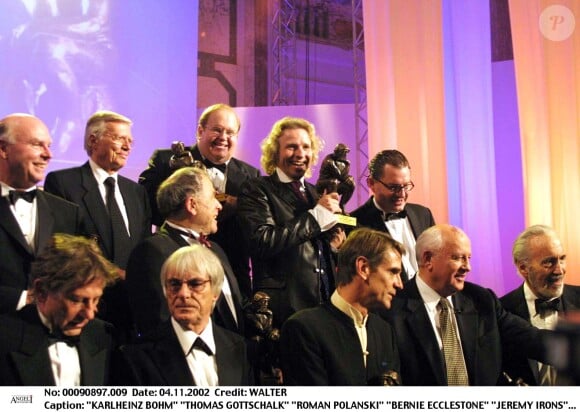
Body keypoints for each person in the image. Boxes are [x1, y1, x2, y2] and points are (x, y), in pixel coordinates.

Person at [380, 224, 552, 386]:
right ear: (428, 259)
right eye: (457, 258)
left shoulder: (481, 299)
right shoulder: (391, 308)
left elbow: (531, 339)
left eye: (468, 258)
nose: (467, 267)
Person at [44, 110, 152, 341]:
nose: (127, 147)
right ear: (93, 140)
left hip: (131, 314)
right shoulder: (64, 183)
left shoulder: (136, 193)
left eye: (130, 141)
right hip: (87, 311)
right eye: (119, 138)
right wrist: (114, 274)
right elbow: (64, 248)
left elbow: (144, 249)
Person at [139, 103, 259, 297]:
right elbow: (144, 209)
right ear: (200, 130)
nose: (223, 138)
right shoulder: (166, 160)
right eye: (217, 130)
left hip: (228, 275)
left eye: (230, 133)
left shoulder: (251, 176)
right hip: (175, 271)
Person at [237, 116, 345, 327]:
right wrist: (316, 217)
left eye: (306, 147)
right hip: (284, 310)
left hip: (326, 306)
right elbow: (262, 241)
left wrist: (335, 248)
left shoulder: (317, 193)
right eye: (291, 147)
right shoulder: (257, 189)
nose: (300, 154)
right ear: (275, 152)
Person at [126, 166, 244, 337]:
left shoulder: (216, 250)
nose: (219, 205)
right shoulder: (153, 252)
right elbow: (159, 324)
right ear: (192, 205)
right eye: (213, 197)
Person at [280, 228, 404, 385]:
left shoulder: (384, 332)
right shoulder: (303, 328)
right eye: (393, 272)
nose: (400, 284)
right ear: (363, 268)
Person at [117, 245, 252, 386]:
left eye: (195, 284)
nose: (183, 294)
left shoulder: (240, 349)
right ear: (165, 291)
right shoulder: (137, 357)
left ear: (215, 292)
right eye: (174, 284)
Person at [0, 233, 119, 386]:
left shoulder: (103, 336)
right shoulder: (5, 338)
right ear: (42, 291)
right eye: (77, 300)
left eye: (95, 300)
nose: (89, 314)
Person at [0, 113, 85, 314]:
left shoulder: (68, 213)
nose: (48, 155)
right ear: (3, 149)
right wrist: (22, 299)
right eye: (37, 145)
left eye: (49, 145)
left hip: (47, 337)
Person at [501, 225, 580, 385]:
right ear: (523, 267)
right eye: (549, 262)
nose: (559, 270)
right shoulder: (502, 310)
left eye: (562, 259)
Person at [350, 149, 435, 282]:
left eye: (406, 186)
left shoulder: (423, 214)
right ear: (371, 184)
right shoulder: (355, 223)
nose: (401, 194)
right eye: (394, 187)